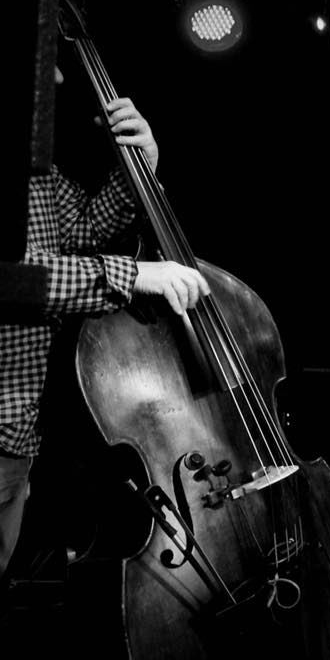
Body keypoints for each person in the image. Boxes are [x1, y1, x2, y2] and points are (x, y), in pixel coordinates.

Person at [0, 65, 210, 586]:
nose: (57, 77)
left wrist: (140, 166)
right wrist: (135, 274)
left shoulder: (40, 176)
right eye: (42, 57)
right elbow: (14, 276)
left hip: (18, 432)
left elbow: (87, 229)